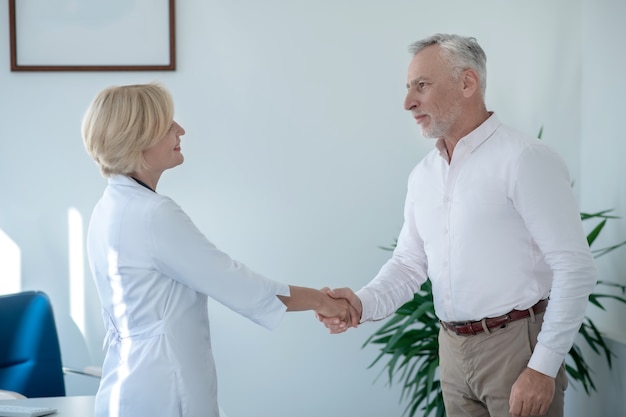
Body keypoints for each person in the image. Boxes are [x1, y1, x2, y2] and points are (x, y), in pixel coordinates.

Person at [319, 34, 597, 417]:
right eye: (408, 88)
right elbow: (408, 264)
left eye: (422, 85)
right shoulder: (423, 176)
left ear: (468, 83)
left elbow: (575, 267)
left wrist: (542, 367)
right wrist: (361, 303)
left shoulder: (525, 159)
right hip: (451, 351)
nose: (408, 102)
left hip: (515, 352)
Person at [81, 82, 358, 417]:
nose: (181, 130)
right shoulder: (153, 214)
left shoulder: (109, 206)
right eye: (168, 126)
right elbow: (237, 284)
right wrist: (321, 300)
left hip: (129, 386)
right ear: (138, 138)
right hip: (162, 391)